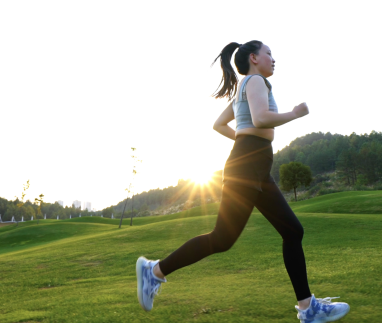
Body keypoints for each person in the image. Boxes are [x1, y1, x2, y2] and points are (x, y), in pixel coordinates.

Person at [136, 41, 350, 322]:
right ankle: (154, 271)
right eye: (269, 54)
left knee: (291, 231)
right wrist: (294, 114)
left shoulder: (242, 88)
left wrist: (244, 137)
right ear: (254, 57)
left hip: (255, 166)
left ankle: (307, 307)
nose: (273, 59)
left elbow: (219, 125)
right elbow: (261, 119)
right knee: (223, 238)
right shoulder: (257, 80)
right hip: (248, 165)